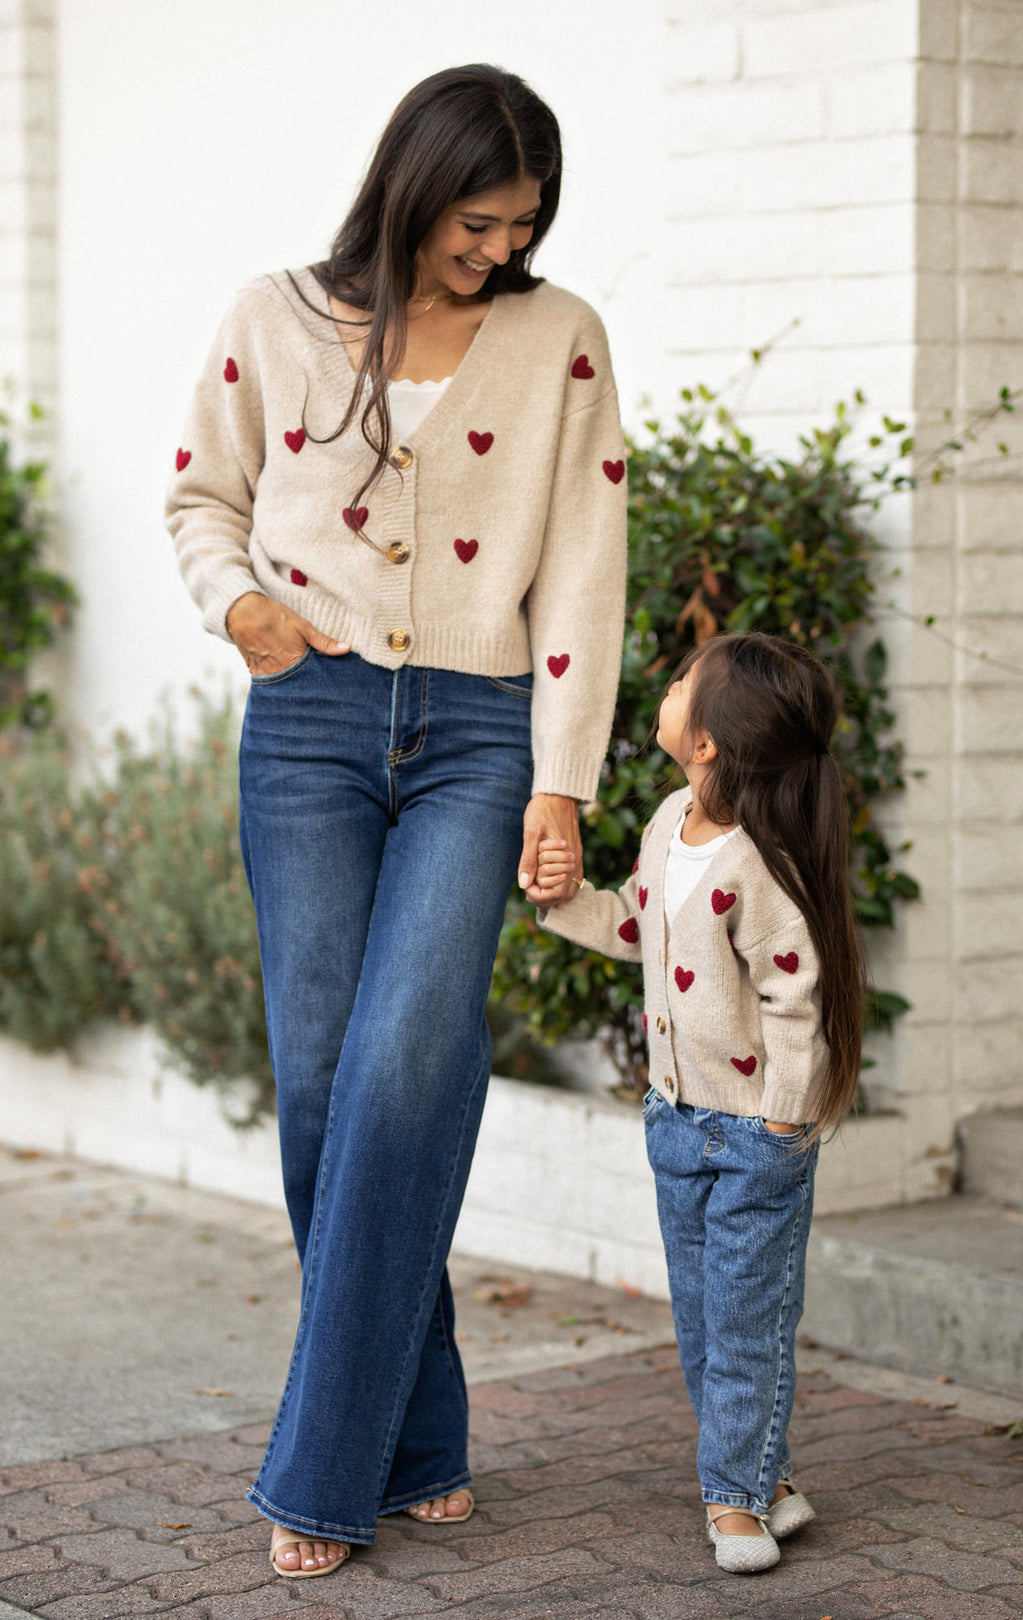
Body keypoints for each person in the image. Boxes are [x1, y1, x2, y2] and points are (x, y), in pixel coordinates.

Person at [165, 64, 626, 1578]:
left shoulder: (562, 343)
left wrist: (563, 776)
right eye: (475, 222)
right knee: (321, 1088)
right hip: (308, 726)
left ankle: (320, 1469)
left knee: (411, 1065)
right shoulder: (273, 318)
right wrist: (240, 607)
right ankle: (423, 1428)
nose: (498, 250)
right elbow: (199, 498)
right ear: (412, 187)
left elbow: (583, 563)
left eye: (523, 226)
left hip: (482, 733)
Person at [535, 631, 864, 1574]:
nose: (668, 686)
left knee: (748, 1323)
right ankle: (769, 1478)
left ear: (710, 738)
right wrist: (568, 902)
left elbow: (796, 996)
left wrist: (784, 1120)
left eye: (683, 682)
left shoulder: (759, 864)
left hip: (755, 1131)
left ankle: (732, 1503)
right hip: (676, 1125)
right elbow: (642, 928)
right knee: (707, 1325)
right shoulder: (669, 822)